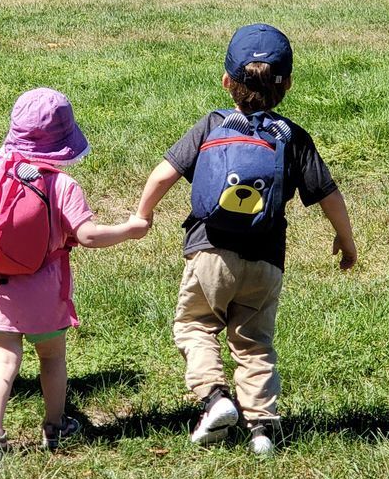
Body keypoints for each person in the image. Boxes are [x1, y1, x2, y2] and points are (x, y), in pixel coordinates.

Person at [134, 24, 357, 456]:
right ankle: (261, 430)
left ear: (226, 82)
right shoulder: (292, 137)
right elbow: (329, 196)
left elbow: (163, 173)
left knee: (195, 325)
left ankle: (216, 399)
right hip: (266, 261)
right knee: (254, 342)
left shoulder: (214, 124)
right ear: (287, 85)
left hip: (209, 252)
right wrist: (346, 242)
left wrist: (143, 214)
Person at [0, 88, 149, 458]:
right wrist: (130, 230)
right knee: (51, 358)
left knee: (2, 361)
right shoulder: (61, 184)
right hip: (44, 295)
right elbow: (88, 235)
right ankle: (55, 427)